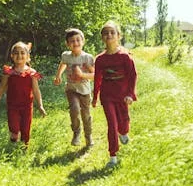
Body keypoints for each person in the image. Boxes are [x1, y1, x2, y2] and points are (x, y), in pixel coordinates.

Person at [92, 21, 137, 168]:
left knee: (123, 124)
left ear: (119, 36)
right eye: (105, 33)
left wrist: (130, 94)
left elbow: (132, 75)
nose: (109, 35)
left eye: (112, 32)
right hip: (107, 96)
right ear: (102, 38)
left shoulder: (125, 56)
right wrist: (95, 97)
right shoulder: (99, 59)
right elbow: (97, 78)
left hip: (123, 95)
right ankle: (113, 156)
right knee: (112, 124)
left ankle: (123, 132)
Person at [0, 41, 47, 147]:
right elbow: (1, 88)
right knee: (14, 127)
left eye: (22, 53)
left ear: (27, 56)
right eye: (16, 53)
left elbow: (36, 90)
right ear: (12, 56)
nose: (19, 55)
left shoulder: (31, 73)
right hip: (13, 106)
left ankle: (24, 147)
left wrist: (40, 105)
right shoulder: (8, 72)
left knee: (26, 128)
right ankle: (13, 142)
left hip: (27, 106)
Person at [53, 28, 95, 147]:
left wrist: (82, 75)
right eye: (72, 41)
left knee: (85, 115)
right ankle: (76, 132)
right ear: (67, 44)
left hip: (85, 91)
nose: (75, 43)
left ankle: (88, 136)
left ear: (83, 41)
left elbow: (95, 75)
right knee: (75, 109)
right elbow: (63, 64)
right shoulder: (66, 56)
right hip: (71, 89)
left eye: (78, 40)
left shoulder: (87, 58)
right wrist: (58, 75)